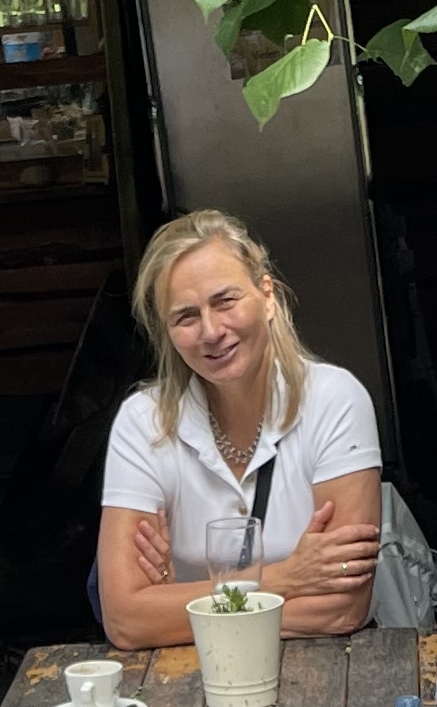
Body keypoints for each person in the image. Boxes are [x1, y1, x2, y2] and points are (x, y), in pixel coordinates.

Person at [94, 208, 382, 645]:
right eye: (186, 316)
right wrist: (288, 576)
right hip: (189, 678)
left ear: (267, 296)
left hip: (326, 668)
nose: (211, 331)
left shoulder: (334, 400)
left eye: (225, 301)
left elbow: (344, 608)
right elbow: (125, 620)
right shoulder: (144, 422)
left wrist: (177, 604)